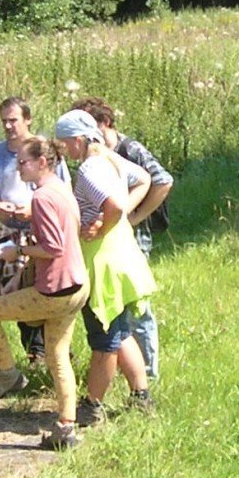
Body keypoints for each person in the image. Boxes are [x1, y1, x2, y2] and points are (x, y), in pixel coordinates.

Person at [0, 136, 91, 450]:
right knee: (57, 356)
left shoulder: (42, 198)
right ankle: (66, 429)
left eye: (23, 162)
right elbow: (68, 230)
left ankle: (7, 373)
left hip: (54, 291)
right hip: (78, 284)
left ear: (42, 162)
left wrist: (20, 250)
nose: (18, 167)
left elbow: (52, 248)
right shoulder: (62, 189)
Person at [53, 109, 157, 423]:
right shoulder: (111, 159)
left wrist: (103, 225)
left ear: (81, 138)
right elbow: (144, 179)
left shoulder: (89, 168)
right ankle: (141, 395)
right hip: (123, 255)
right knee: (121, 331)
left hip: (103, 262)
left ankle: (92, 405)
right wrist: (119, 218)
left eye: (67, 143)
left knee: (104, 340)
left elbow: (113, 204)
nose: (65, 150)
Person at [78, 97, 173, 385]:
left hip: (132, 238)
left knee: (137, 311)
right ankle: (128, 376)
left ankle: (149, 373)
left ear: (104, 123)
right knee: (119, 316)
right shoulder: (94, 157)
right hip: (111, 239)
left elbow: (161, 181)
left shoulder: (128, 149)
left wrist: (131, 214)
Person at [0, 96, 46, 364]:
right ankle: (32, 354)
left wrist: (33, 211)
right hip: (9, 229)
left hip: (40, 229)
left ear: (27, 119)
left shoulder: (43, 149)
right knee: (14, 293)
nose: (8, 126)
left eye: (13, 120)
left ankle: (47, 351)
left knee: (42, 289)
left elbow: (60, 188)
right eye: (4, 121)